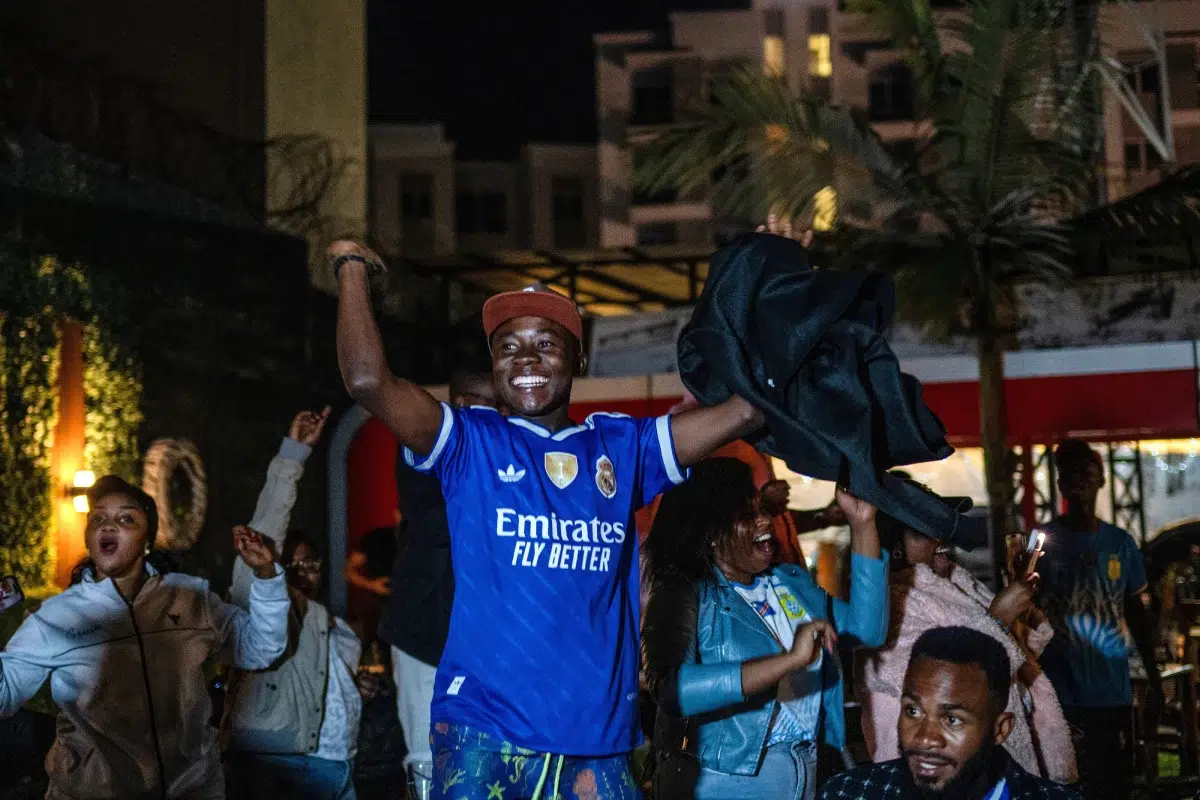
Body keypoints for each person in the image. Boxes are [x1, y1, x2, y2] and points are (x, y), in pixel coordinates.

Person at [332, 239, 766, 799]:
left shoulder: (620, 446)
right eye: (508, 347)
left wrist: (763, 274)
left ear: (579, 359)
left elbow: (746, 409)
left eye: (546, 343)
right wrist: (352, 269)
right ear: (493, 366)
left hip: (597, 744)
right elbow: (369, 383)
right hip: (485, 736)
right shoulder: (471, 444)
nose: (527, 358)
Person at [0, 476, 288, 798]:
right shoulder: (55, 617)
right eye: (98, 519)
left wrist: (266, 575)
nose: (109, 526)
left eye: (126, 518)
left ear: (147, 541)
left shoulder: (191, 597)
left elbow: (260, 650)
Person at [641, 457, 887, 800]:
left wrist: (862, 524)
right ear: (711, 532)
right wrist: (788, 661)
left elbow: (866, 631)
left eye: (762, 508)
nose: (764, 520)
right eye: (746, 514)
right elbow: (671, 689)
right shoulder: (686, 592)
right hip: (727, 781)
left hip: (809, 771)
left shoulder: (790, 583)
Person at [859, 481, 1076, 783]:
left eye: (942, 525)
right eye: (925, 530)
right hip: (940, 769)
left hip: (1000, 760)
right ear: (895, 546)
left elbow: (1020, 655)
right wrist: (998, 617)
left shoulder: (957, 584)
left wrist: (1018, 607)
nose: (941, 536)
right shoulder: (891, 601)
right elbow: (928, 681)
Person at [224, 408, 363, 800]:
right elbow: (269, 523)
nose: (302, 572)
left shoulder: (331, 623)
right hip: (279, 767)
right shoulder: (260, 604)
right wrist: (293, 455)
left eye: (311, 564)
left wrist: (361, 688)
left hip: (339, 766)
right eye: (292, 564)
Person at [376, 368, 502, 800]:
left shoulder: (510, 452)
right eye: (479, 403)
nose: (490, 414)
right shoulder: (429, 444)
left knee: (491, 759)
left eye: (498, 405)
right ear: (458, 404)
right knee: (428, 758)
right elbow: (445, 522)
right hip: (424, 632)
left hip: (484, 641)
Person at [820, 627, 1081, 800]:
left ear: (999, 729)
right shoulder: (850, 794)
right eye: (913, 711)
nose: (924, 738)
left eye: (952, 719)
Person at [1036, 439, 1161, 799]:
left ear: (1102, 481)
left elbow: (1135, 610)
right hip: (1059, 692)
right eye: (1069, 475)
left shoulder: (1120, 544)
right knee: (1066, 784)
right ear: (1059, 484)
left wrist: (1152, 676)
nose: (1078, 482)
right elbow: (1025, 610)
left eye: (1087, 474)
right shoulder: (1043, 544)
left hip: (1110, 691)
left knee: (1113, 785)